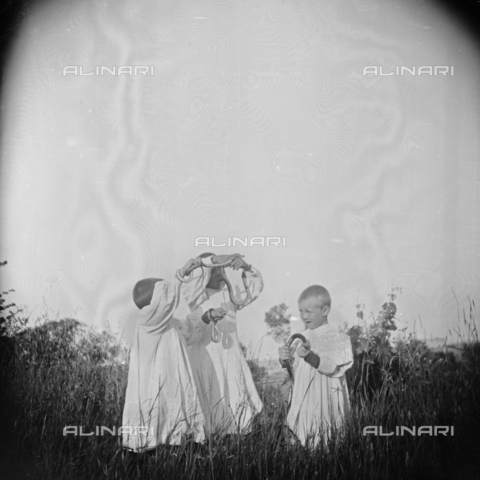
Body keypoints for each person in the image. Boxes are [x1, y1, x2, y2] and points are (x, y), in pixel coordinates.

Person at [122, 257, 227, 452]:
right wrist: (182, 273)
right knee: (153, 431)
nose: (171, 296)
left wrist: (207, 317)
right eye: (163, 292)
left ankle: (173, 453)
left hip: (173, 387)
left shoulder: (171, 324)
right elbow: (167, 297)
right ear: (155, 304)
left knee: (173, 431)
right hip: (155, 392)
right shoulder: (148, 324)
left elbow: (190, 334)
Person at [180, 252, 264, 435]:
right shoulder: (194, 296)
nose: (220, 274)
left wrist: (246, 267)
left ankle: (234, 436)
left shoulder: (230, 295)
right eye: (215, 270)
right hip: (204, 356)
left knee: (233, 394)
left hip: (229, 356)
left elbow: (255, 288)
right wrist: (205, 263)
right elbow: (184, 289)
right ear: (203, 274)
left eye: (222, 269)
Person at [278, 285, 353, 447]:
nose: (304, 316)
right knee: (301, 433)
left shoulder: (338, 338)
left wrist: (311, 357)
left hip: (324, 396)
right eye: (301, 311)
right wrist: (284, 359)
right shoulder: (300, 338)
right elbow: (292, 368)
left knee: (325, 435)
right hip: (303, 397)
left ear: (325, 311)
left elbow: (334, 368)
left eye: (309, 312)